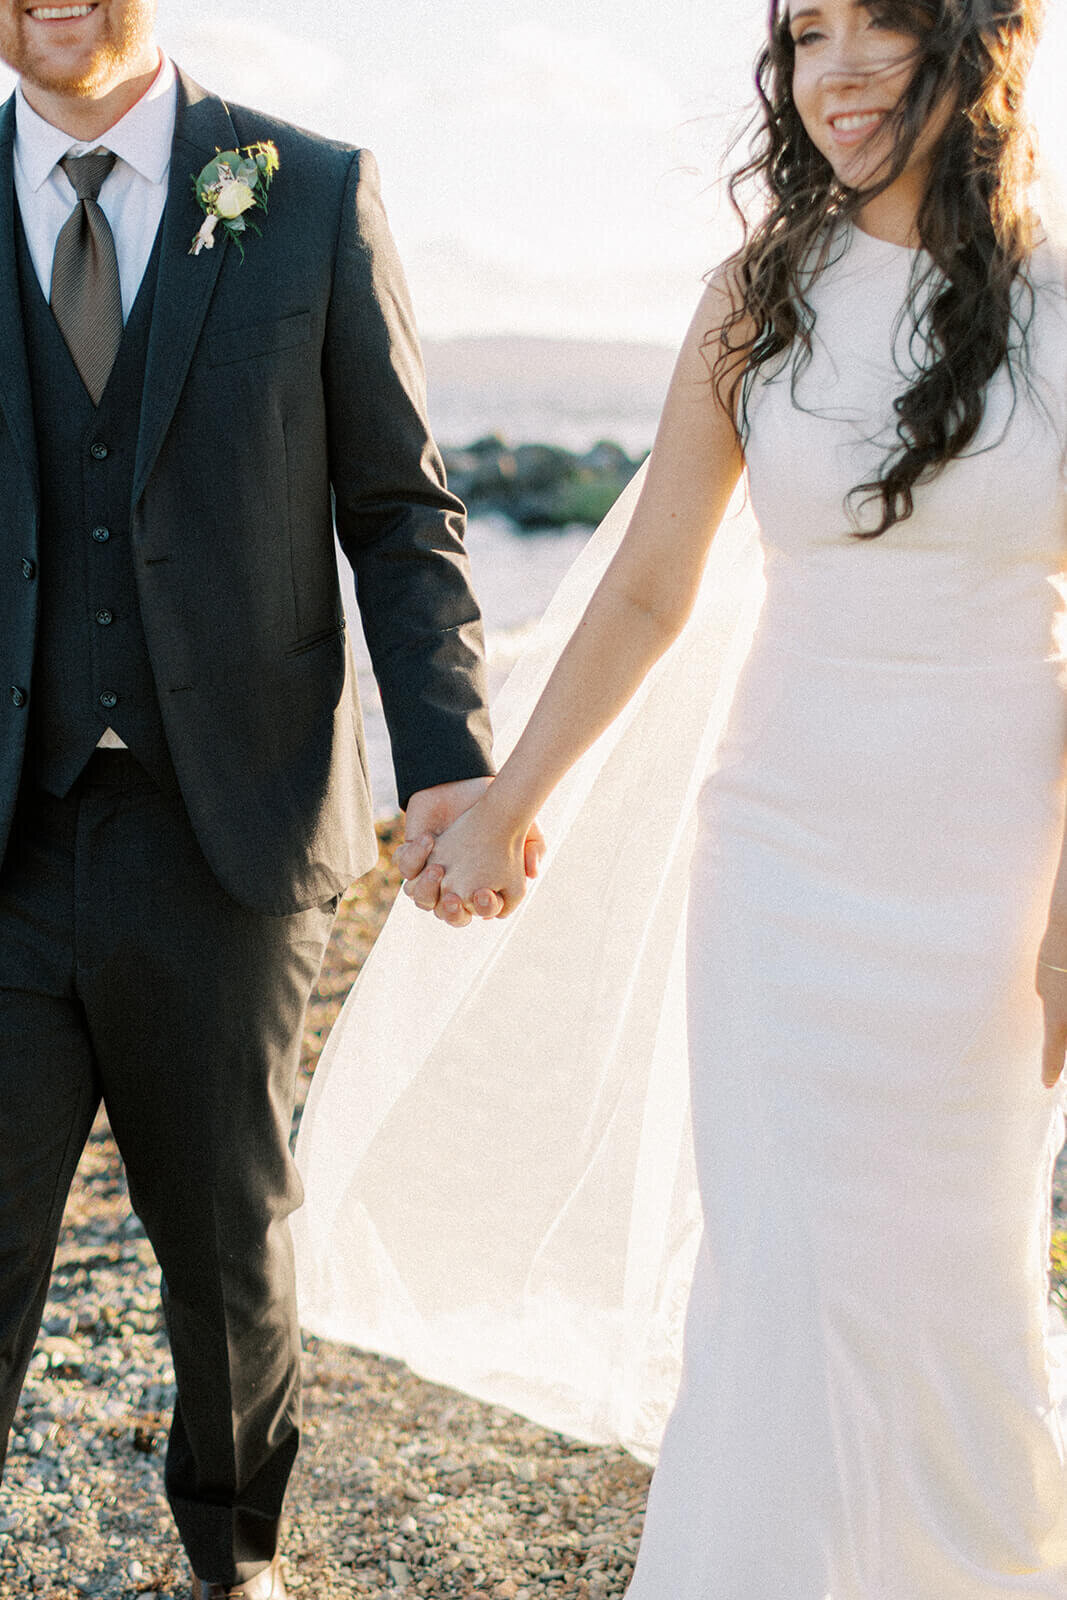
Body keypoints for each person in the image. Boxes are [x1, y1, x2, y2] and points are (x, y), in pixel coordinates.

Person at [294, 0, 1067, 1593]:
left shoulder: (1061, 309)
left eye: (875, 26)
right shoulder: (755, 298)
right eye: (804, 36)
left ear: (974, 41)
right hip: (782, 856)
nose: (834, 70)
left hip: (996, 873)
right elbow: (651, 587)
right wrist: (509, 796)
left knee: (960, 1279)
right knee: (782, 1272)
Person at [0, 3, 545, 1597]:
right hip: (5, 838)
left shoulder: (303, 188)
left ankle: (237, 1557)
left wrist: (454, 764)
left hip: (229, 825)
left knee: (228, 1252)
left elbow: (396, 507)